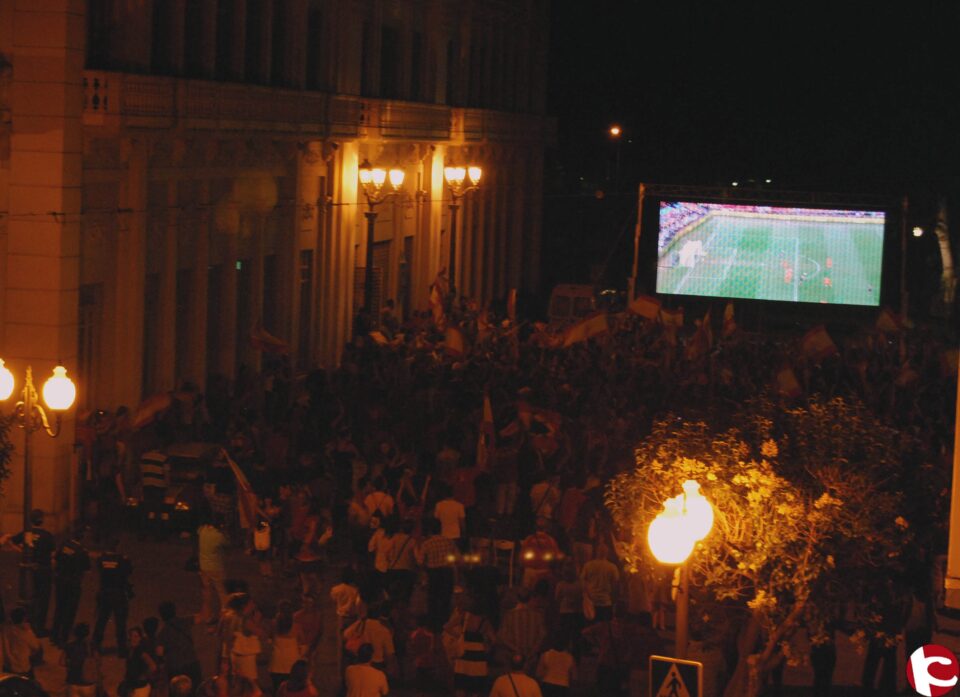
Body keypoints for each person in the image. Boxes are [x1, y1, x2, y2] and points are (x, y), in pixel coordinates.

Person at [1, 508, 56, 635]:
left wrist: (21, 550)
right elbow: (53, 555)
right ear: (43, 520)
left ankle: (29, 623)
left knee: (31, 597)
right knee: (43, 599)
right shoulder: (48, 536)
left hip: (31, 570)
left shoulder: (27, 533)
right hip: (44, 570)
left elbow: (12, 541)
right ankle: (40, 627)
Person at [93, 537, 134, 657]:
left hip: (104, 592)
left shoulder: (101, 559)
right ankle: (122, 649)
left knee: (101, 620)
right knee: (120, 622)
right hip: (118, 593)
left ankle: (95, 645)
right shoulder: (122, 560)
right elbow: (128, 572)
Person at [51, 527, 91, 646]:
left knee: (59, 608)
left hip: (60, 581)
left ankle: (54, 635)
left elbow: (56, 558)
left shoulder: (65, 544)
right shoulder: (82, 551)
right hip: (73, 583)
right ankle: (64, 637)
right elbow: (87, 569)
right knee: (70, 611)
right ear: (82, 537)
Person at [415, 518, 458, 628]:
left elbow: (420, 562)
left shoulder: (427, 544)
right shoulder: (449, 541)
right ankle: (445, 621)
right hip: (447, 572)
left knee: (432, 598)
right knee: (446, 598)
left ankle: (433, 623)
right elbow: (457, 557)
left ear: (429, 530)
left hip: (433, 573)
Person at [450, 602, 496, 697]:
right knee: (476, 687)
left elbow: (447, 627)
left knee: (461, 685)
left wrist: (459, 636)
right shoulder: (485, 621)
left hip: (464, 654)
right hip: (478, 656)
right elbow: (494, 640)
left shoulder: (464, 617)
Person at [157, 600, 203, 691]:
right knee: (196, 690)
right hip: (192, 663)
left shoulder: (163, 633)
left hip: (175, 668)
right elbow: (202, 616)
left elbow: (159, 652)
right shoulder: (184, 622)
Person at [198, 516, 228, 624]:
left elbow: (199, 530)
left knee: (207, 592)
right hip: (216, 567)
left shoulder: (202, 530)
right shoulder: (218, 536)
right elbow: (227, 543)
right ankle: (224, 617)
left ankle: (207, 616)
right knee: (222, 592)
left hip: (203, 567)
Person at [580, 541, 619, 621]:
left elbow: (583, 583)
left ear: (597, 551)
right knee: (605, 628)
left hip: (592, 603)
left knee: (592, 629)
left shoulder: (588, 565)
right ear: (607, 553)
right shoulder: (612, 567)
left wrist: (587, 596)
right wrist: (614, 599)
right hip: (606, 602)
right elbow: (615, 585)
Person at [269, 608, 304, 692]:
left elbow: (270, 639)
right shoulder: (297, 627)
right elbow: (302, 642)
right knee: (291, 690)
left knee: (277, 689)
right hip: (292, 663)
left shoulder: (274, 625)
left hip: (276, 663)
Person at [63, 623, 100, 697]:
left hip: (73, 681)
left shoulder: (69, 646)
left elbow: (61, 662)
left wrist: (70, 664)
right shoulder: (91, 646)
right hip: (88, 682)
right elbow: (98, 661)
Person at [4, 607, 42, 677]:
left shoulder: (7, 630)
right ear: (24, 618)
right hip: (21, 666)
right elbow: (36, 647)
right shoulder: (26, 632)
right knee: (39, 647)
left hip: (7, 665)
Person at [122, 626, 157, 697]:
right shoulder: (131, 651)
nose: (133, 639)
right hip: (133, 687)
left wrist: (144, 675)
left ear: (140, 638)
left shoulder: (141, 651)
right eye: (131, 636)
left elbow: (153, 666)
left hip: (141, 687)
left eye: (136, 636)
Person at [434, 484, 466, 549]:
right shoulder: (459, 505)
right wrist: (464, 532)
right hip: (456, 534)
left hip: (443, 534)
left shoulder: (439, 505)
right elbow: (462, 522)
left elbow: (436, 519)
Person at [230, 616, 263, 682]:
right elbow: (259, 632)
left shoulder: (233, 617)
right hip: (246, 654)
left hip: (236, 651)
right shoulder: (247, 618)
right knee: (250, 683)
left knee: (238, 681)